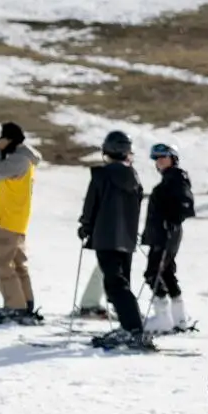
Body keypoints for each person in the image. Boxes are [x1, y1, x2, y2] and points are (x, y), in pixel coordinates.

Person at [79, 129, 148, 349]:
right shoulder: (134, 176)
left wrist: (85, 226)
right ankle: (130, 326)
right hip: (126, 239)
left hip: (106, 237)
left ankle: (133, 329)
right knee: (121, 284)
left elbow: (92, 204)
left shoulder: (102, 175)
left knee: (115, 284)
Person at [0, 121, 44, 324]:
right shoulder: (22, 159)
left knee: (1, 263)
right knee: (17, 263)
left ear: (9, 139)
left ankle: (15, 306)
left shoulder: (19, 160)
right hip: (14, 219)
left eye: (1, 138)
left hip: (8, 220)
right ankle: (25, 303)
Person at [141, 143, 195, 334]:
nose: (159, 161)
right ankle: (179, 318)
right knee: (165, 273)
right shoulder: (170, 179)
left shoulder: (177, 178)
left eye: (163, 157)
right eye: (157, 158)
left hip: (167, 234)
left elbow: (186, 204)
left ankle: (163, 318)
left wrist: (170, 221)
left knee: (153, 273)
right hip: (163, 234)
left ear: (173, 158)